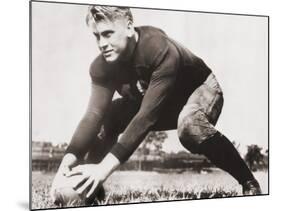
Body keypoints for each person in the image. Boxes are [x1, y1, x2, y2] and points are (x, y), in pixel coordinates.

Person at [50, 5, 261, 206]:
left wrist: (103, 169)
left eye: (108, 34)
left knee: (190, 126)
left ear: (129, 26)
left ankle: (248, 182)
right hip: (153, 102)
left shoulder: (158, 48)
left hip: (197, 90)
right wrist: (65, 165)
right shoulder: (101, 67)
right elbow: (92, 116)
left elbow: (146, 117)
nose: (101, 43)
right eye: (96, 36)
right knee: (106, 119)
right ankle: (91, 189)